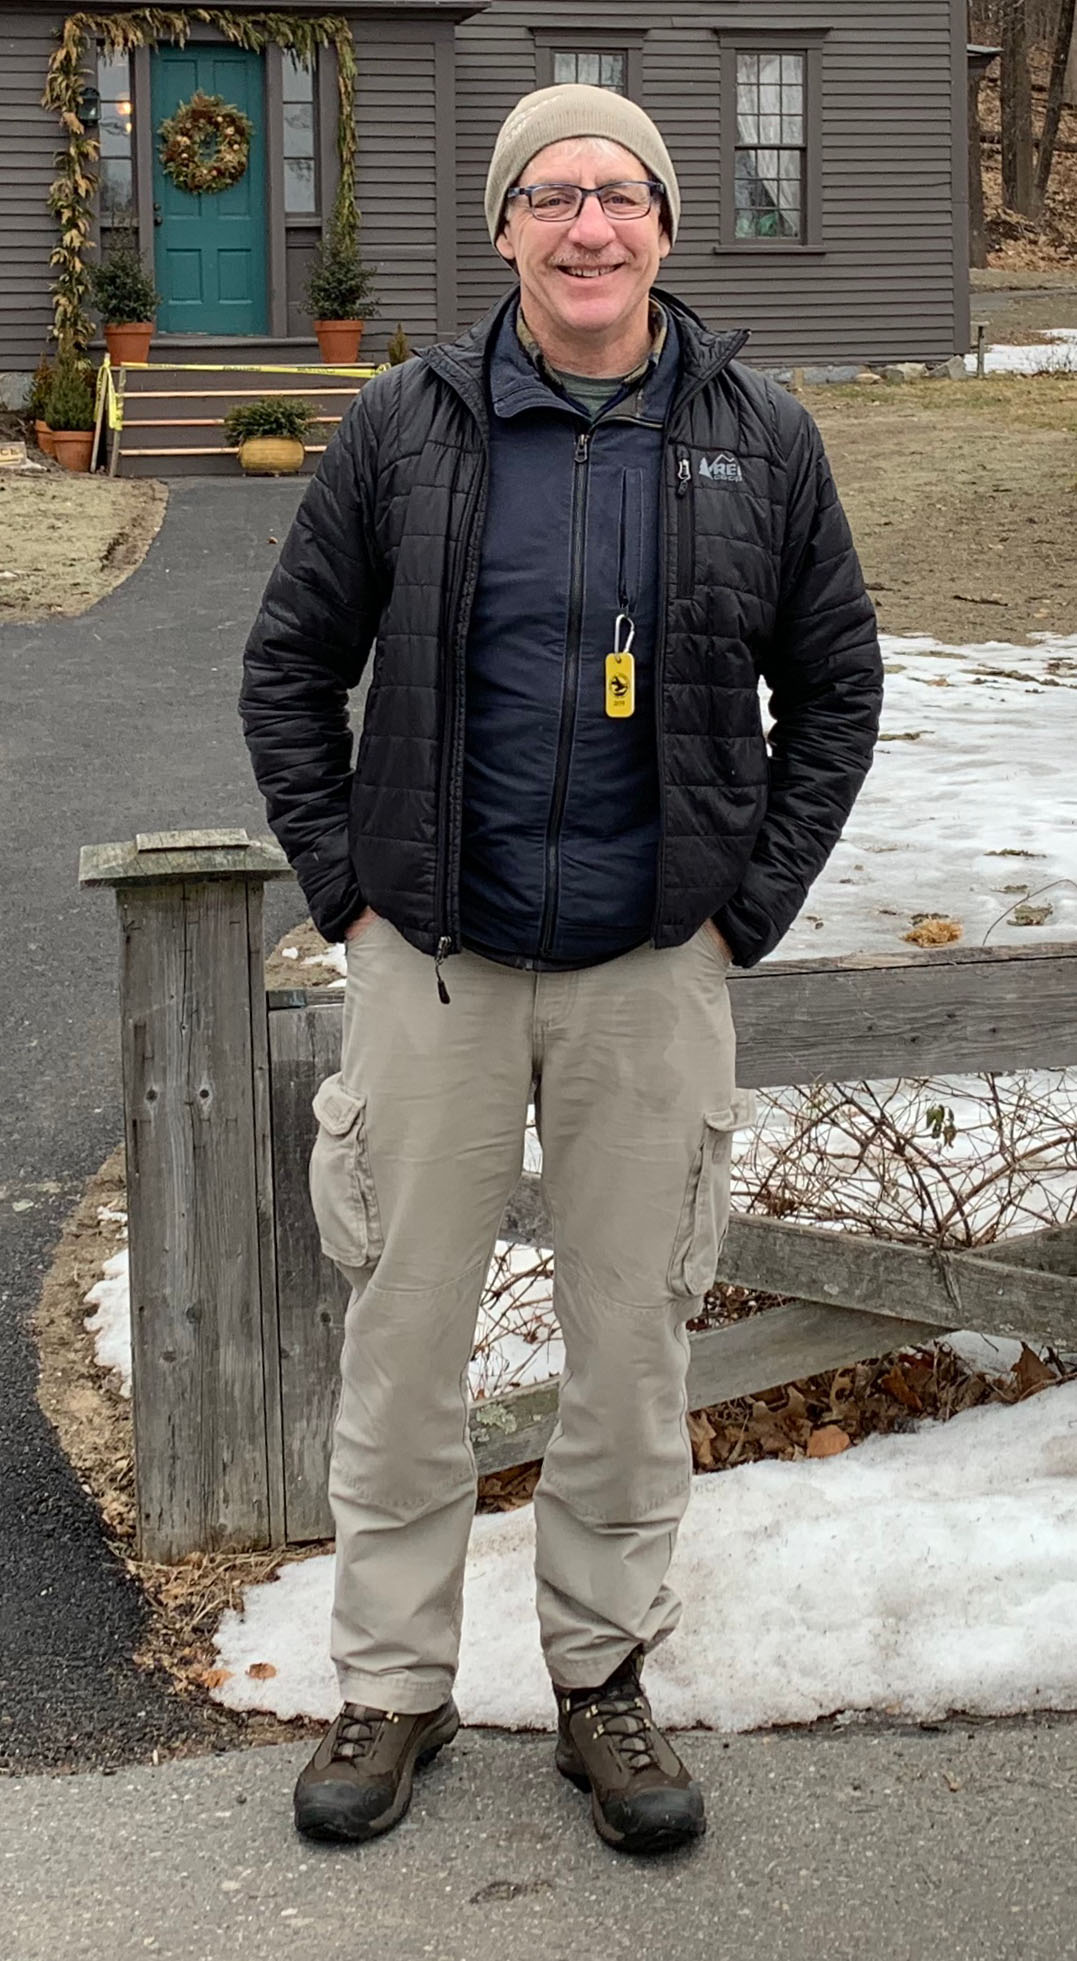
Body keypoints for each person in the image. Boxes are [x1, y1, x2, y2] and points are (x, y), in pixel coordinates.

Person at [241, 82, 882, 1858]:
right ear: (506, 227)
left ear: (663, 226)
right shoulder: (406, 426)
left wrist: (741, 908)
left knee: (629, 1344)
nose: (587, 225)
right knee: (402, 1335)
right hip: (432, 966)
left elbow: (837, 686)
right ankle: (393, 1683)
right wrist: (350, 893)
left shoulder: (758, 435)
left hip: (648, 968)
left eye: (619, 194)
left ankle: (601, 1676)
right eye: (550, 194)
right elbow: (289, 668)